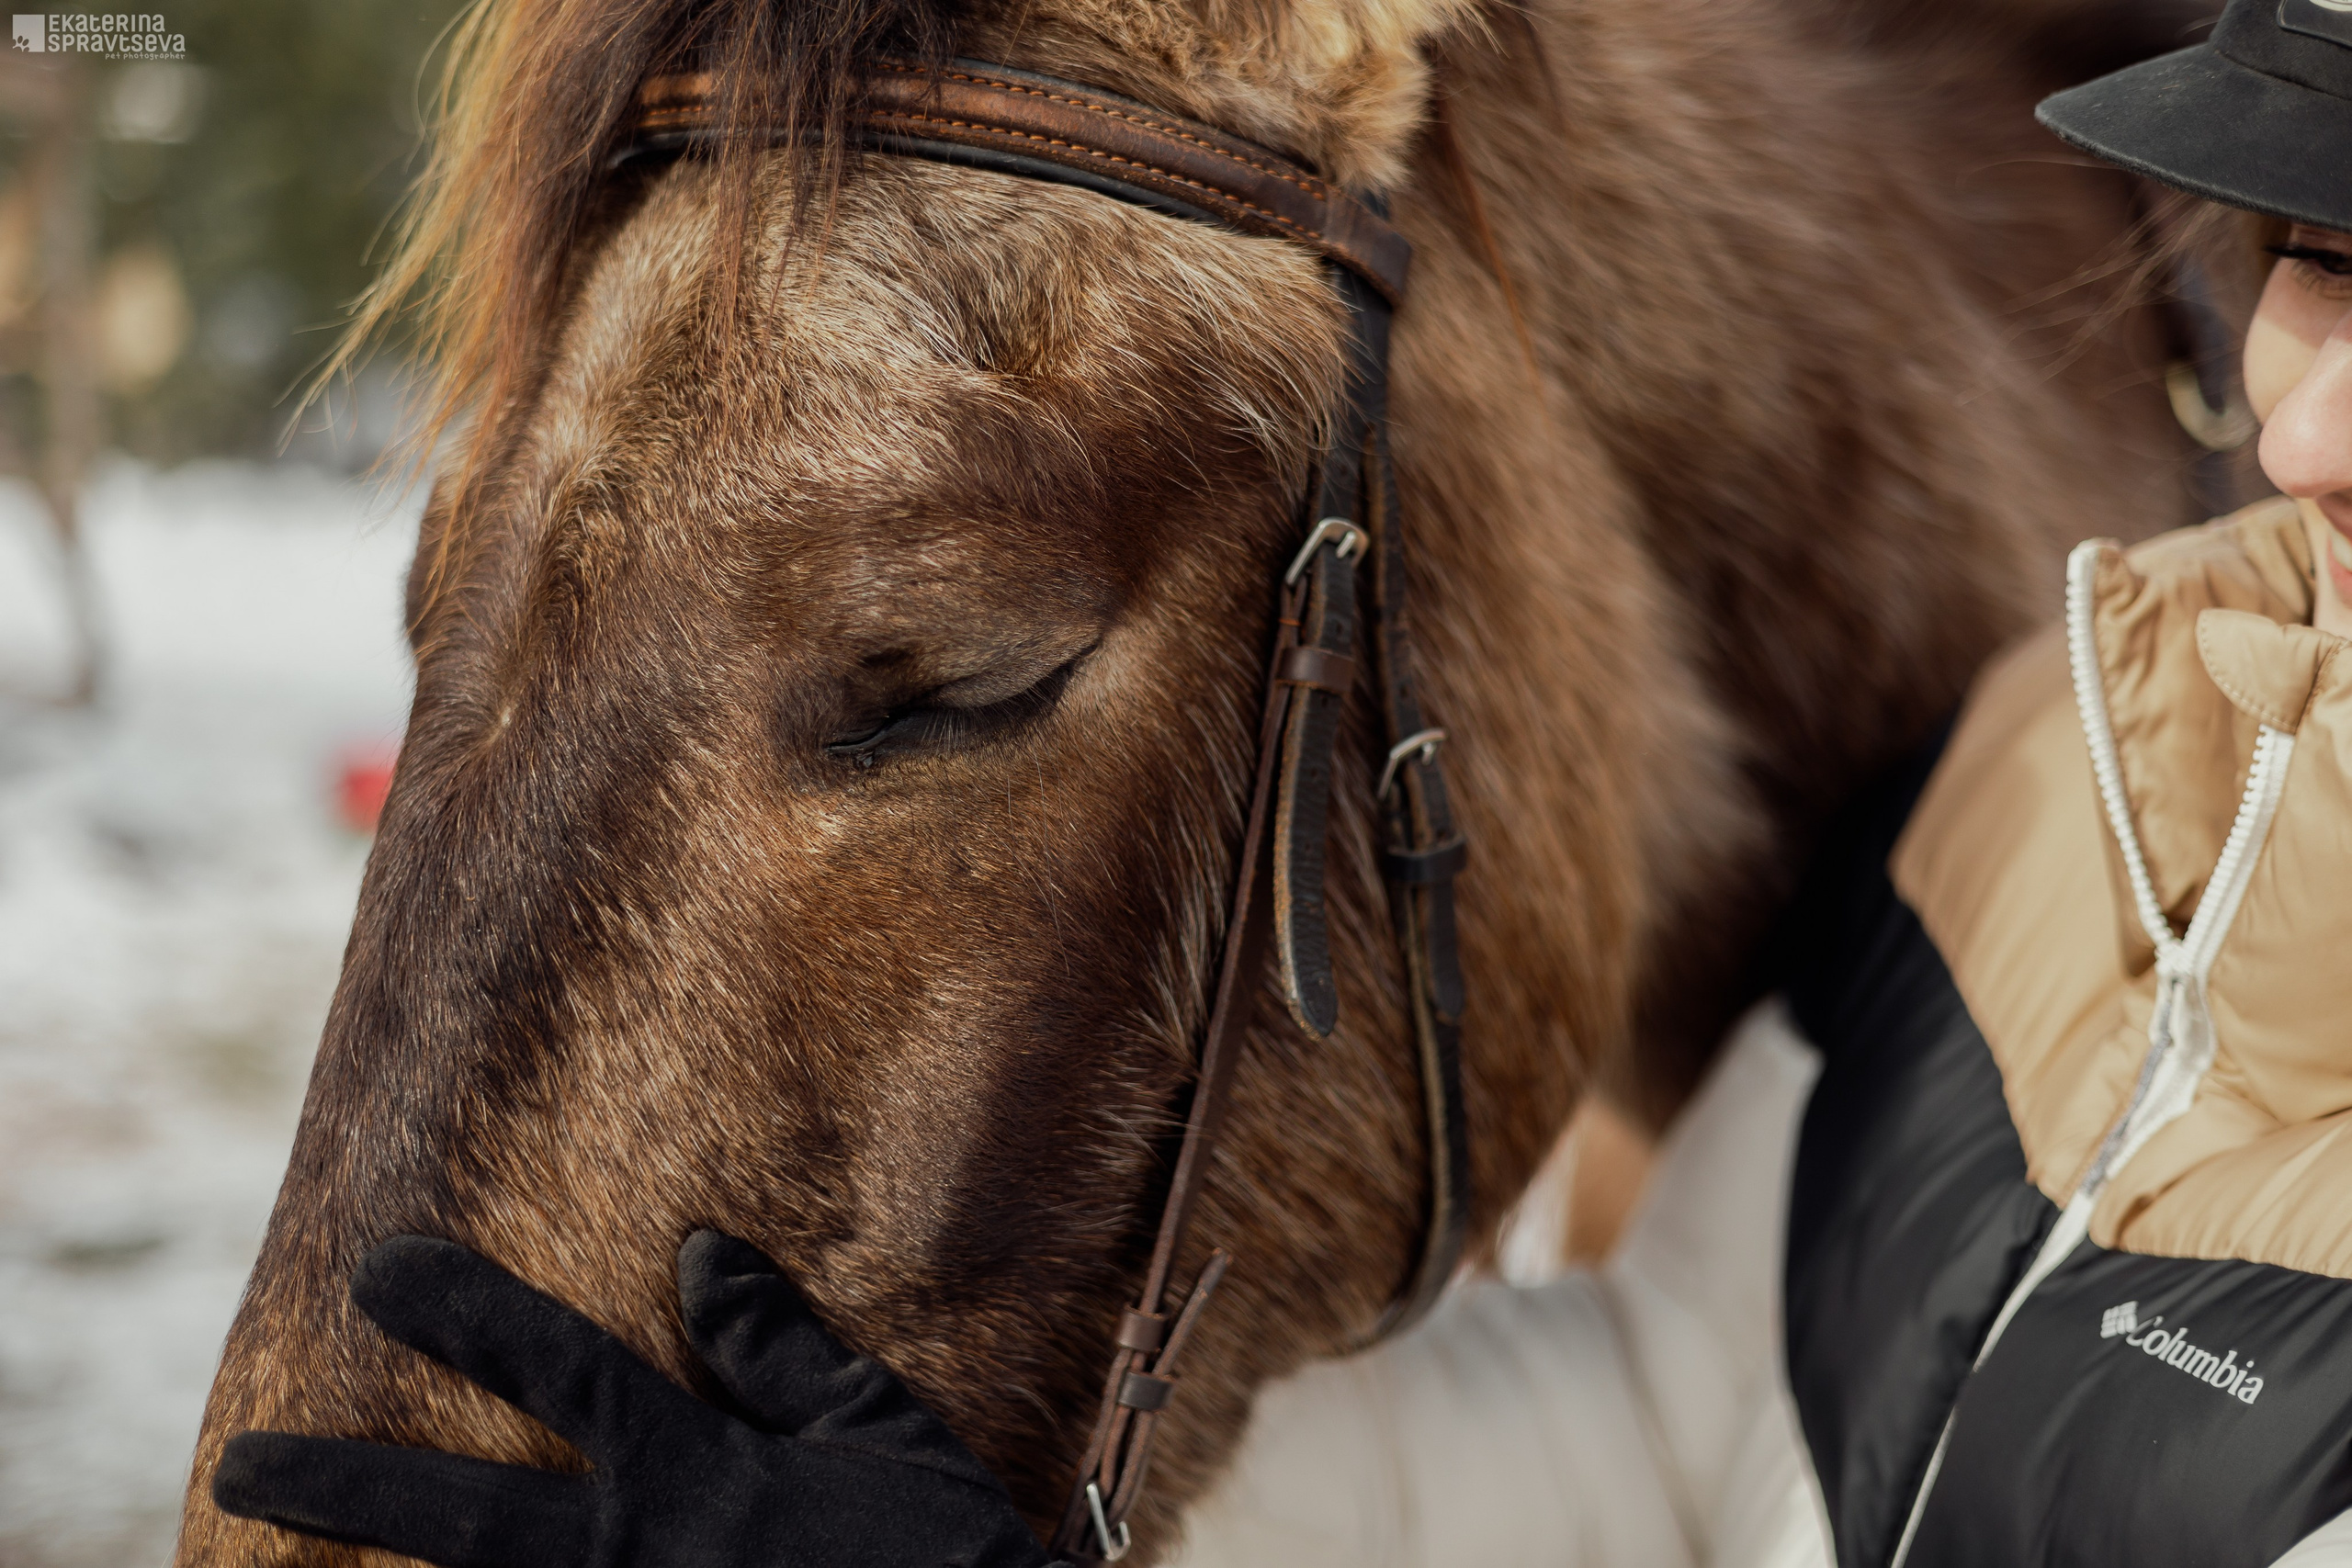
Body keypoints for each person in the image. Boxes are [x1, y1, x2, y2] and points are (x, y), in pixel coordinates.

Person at [214, 0, 2352, 1561]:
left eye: (955, 666)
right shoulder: (2043, 770)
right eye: (2318, 264)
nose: (2307, 435)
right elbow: (1683, 1418)